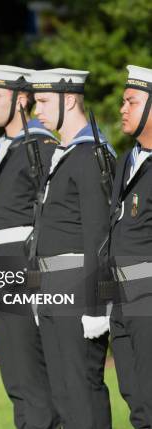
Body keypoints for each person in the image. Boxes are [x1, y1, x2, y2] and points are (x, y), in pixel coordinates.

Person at [29, 68, 113, 429]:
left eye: (44, 101)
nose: (36, 110)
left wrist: (96, 304)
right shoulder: (63, 154)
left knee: (82, 390)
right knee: (62, 394)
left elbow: (99, 234)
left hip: (77, 287)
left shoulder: (90, 155)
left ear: (71, 99)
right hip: (52, 288)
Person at [0, 65, 60, 429]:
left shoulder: (40, 146)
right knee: (14, 376)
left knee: (31, 374)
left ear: (22, 99)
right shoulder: (5, 147)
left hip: (22, 267)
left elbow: (51, 216)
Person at [108, 64, 152, 429]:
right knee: (134, 395)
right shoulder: (126, 161)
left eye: (132, 102)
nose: (122, 109)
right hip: (121, 295)